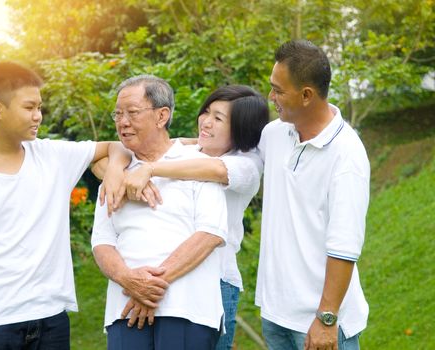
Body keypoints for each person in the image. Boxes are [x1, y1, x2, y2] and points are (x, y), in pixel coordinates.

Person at [0, 61, 123, 350]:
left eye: (40, 107)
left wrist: (114, 171)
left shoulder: (52, 156)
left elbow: (117, 146)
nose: (38, 116)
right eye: (29, 108)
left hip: (50, 318)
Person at [119, 85, 269, 350]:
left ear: (241, 129)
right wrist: (113, 168)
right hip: (166, 275)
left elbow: (212, 169)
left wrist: (150, 169)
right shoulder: (193, 150)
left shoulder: (246, 166)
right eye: (207, 112)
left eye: (219, 118)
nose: (206, 122)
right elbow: (116, 149)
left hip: (214, 281)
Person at [91, 75, 228, 350]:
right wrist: (129, 280)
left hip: (187, 309)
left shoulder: (199, 165)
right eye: (118, 114)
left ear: (161, 115)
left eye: (132, 112)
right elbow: (102, 242)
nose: (122, 122)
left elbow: (210, 234)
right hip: (125, 310)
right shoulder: (115, 175)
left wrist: (149, 287)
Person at [256, 40, 370, 350]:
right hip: (276, 315)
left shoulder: (347, 155)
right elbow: (227, 160)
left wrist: (327, 318)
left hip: (319, 325)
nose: (271, 97)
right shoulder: (275, 133)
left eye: (278, 90)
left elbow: (344, 246)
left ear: (307, 95)